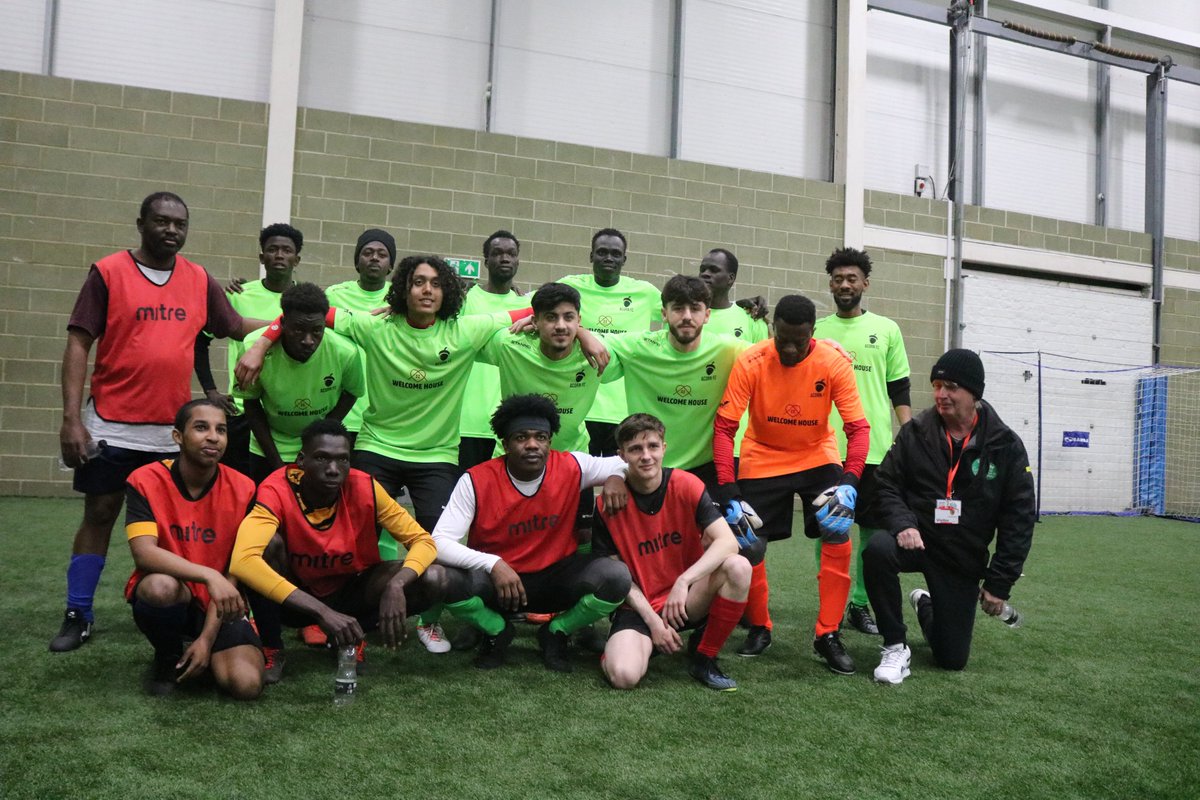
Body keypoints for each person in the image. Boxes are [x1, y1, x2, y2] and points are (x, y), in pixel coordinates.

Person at [53, 191, 267, 653]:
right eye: (162, 221)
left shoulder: (197, 278)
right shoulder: (108, 272)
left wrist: (285, 323)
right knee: (101, 513)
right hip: (112, 422)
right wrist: (72, 420)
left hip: (172, 431)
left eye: (180, 224)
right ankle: (78, 611)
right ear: (141, 223)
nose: (171, 230)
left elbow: (232, 324)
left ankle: (175, 606)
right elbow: (77, 345)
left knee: (175, 526)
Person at [229, 418, 465, 678]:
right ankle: (272, 647)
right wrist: (322, 612)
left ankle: (349, 637)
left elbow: (422, 541)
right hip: (295, 599)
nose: (333, 469)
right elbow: (243, 560)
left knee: (435, 577)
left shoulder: (365, 487)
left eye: (342, 459)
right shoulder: (276, 489)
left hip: (348, 592)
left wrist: (396, 585)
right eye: (321, 458)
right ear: (301, 460)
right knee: (267, 547)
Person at [713, 294, 870, 674]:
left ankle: (828, 633)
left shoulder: (833, 362)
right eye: (781, 337)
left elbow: (858, 428)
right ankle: (760, 626)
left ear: (812, 334)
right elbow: (724, 428)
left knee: (837, 529)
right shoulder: (751, 361)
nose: (788, 347)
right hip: (762, 454)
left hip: (817, 454)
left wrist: (850, 482)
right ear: (772, 329)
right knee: (749, 542)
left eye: (798, 341)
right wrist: (729, 492)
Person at [864, 349, 1035, 684]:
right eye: (937, 385)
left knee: (952, 659)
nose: (941, 395)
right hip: (917, 540)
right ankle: (895, 644)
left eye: (951, 387)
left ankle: (927, 605)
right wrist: (903, 523)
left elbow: (1019, 517)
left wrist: (999, 582)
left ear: (974, 393)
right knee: (877, 549)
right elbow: (885, 482)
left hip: (960, 557)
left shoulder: (1005, 445)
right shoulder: (916, 433)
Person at [430, 394, 632, 672]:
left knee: (616, 577)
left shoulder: (571, 465)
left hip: (556, 578)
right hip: (499, 583)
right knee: (441, 579)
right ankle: (496, 629)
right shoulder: (477, 479)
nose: (532, 445)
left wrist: (616, 476)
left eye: (541, 437)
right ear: (505, 444)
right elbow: (439, 542)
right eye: (521, 437)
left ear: (550, 441)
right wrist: (493, 563)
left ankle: (557, 631)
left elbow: (626, 461)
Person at [594, 413, 751, 691]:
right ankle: (638, 644)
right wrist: (653, 623)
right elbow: (618, 575)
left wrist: (684, 581)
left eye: (653, 446)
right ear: (621, 455)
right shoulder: (608, 504)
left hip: (687, 599)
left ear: (664, 448)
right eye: (635, 449)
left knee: (738, 566)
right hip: (641, 607)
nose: (646, 456)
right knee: (623, 676)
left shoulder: (685, 484)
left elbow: (728, 542)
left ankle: (705, 656)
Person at [123, 399, 263, 697]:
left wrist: (207, 640)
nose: (213, 437)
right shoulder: (145, 480)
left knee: (246, 685)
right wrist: (209, 576)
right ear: (178, 436)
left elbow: (235, 569)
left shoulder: (244, 488)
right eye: (201, 428)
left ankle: (202, 652)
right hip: (177, 593)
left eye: (221, 430)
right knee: (159, 586)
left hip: (222, 602)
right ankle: (168, 656)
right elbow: (144, 552)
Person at [813, 247, 912, 636]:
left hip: (875, 450)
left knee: (872, 533)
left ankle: (859, 604)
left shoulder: (887, 329)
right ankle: (831, 606)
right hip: (826, 450)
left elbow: (898, 387)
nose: (844, 285)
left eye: (852, 278)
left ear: (865, 284)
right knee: (830, 530)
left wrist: (909, 433)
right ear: (831, 285)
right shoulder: (817, 331)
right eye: (838, 279)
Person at [604, 275, 748, 494]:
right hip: (650, 466)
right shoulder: (638, 347)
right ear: (664, 314)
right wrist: (581, 333)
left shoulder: (727, 350)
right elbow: (587, 339)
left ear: (707, 315)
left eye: (695, 309)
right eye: (678, 309)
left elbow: (771, 353)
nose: (687, 316)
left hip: (705, 468)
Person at [196, 223, 304, 477]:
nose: (279, 255)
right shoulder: (238, 295)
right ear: (261, 257)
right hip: (243, 412)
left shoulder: (306, 300)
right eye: (272, 249)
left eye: (286, 250)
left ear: (296, 259)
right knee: (238, 489)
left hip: (288, 415)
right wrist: (210, 391)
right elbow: (200, 341)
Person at [234, 283, 363, 483]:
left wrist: (318, 436)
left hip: (317, 447)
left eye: (317, 331)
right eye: (298, 330)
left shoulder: (345, 351)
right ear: (283, 324)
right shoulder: (252, 348)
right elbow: (251, 403)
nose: (308, 340)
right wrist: (276, 463)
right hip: (268, 446)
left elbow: (351, 393)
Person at [560, 229, 659, 456]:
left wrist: (741, 306)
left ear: (624, 259)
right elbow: (536, 308)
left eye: (616, 254)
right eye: (602, 252)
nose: (608, 258)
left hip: (623, 410)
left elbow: (682, 310)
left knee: (623, 485)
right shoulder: (570, 287)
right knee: (580, 482)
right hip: (580, 406)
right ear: (591, 255)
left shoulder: (644, 292)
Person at [458, 230, 529, 470]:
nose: (505, 258)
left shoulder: (528, 305)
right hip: (465, 420)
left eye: (511, 253)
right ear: (486, 261)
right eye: (497, 253)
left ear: (518, 260)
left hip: (509, 422)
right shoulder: (465, 299)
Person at [324, 229, 396, 445]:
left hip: (382, 415)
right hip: (341, 407)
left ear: (391, 265)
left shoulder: (402, 298)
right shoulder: (334, 294)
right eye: (367, 252)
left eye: (382, 254)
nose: (374, 258)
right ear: (357, 262)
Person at [698, 248, 769, 343]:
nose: (705, 274)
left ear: (730, 278)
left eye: (714, 270)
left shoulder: (752, 318)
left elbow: (762, 356)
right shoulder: (685, 315)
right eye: (702, 270)